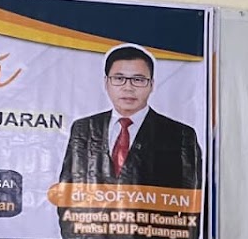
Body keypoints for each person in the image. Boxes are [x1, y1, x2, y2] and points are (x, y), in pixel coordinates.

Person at [59, 43, 203, 191]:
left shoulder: (180, 135)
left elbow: (193, 195)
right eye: (119, 78)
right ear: (106, 83)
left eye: (138, 80)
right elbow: (67, 190)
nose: (128, 88)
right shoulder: (84, 128)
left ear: (151, 85)